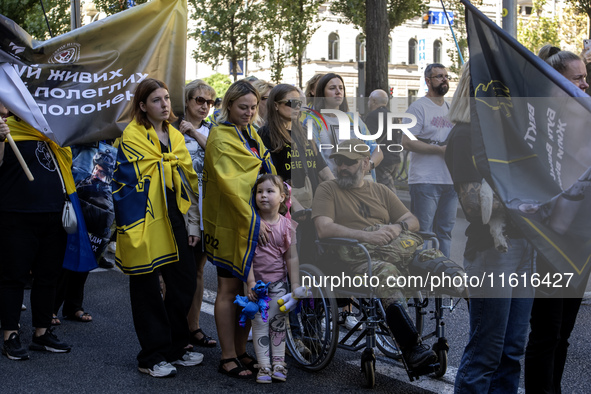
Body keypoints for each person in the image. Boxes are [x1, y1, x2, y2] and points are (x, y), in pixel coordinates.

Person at [444, 62, 534, 393]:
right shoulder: (465, 135)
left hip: (523, 245)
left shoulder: (508, 133)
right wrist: (526, 194)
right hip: (491, 253)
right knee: (487, 351)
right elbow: (473, 207)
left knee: (512, 350)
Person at [312, 138, 437, 370]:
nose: (342, 168)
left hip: (386, 252)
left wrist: (397, 228)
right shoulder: (328, 189)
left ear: (365, 163)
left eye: (349, 162)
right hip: (349, 259)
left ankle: (444, 337)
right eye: (339, 162)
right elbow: (323, 228)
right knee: (386, 272)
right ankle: (410, 348)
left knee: (432, 260)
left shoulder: (380, 190)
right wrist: (366, 236)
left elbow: (413, 221)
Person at [112, 78, 203, 378]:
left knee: (185, 281)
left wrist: (192, 223)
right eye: (156, 100)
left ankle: (175, 347)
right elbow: (127, 180)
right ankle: (150, 356)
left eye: (166, 98)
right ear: (142, 106)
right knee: (146, 287)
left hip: (175, 216)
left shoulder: (175, 136)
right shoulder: (133, 135)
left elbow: (188, 181)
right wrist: (164, 165)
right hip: (143, 219)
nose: (164, 104)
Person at [524, 45, 590, 394]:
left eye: (585, 77)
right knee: (547, 332)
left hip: (581, 244)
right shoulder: (539, 124)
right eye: (577, 78)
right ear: (555, 82)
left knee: (563, 332)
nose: (584, 84)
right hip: (550, 244)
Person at [202, 80, 275, 379]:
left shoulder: (251, 133)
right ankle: (227, 355)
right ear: (228, 105)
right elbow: (231, 187)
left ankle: (242, 351)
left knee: (252, 292)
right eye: (243, 107)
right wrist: (255, 221)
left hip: (253, 220)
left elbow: (264, 166)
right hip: (232, 224)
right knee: (228, 289)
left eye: (253, 107)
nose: (248, 112)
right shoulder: (219, 137)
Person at [0, 116, 72, 360]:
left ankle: (42, 333)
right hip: (17, 214)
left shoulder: (52, 128)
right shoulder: (8, 128)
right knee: (13, 277)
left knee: (48, 276)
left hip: (53, 213)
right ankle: (10, 334)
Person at [247, 174, 300, 383]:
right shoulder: (252, 224)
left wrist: (294, 284)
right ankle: (263, 366)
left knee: (278, 323)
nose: (263, 196)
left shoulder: (287, 226)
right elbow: (246, 257)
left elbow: (291, 257)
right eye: (259, 191)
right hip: (257, 286)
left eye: (270, 191)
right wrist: (249, 282)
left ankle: (279, 363)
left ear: (282, 197)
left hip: (279, 284)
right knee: (259, 324)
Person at [177, 79, 217, 348]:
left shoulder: (214, 131)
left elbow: (219, 156)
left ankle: (194, 327)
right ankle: (176, 328)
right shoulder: (171, 130)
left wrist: (194, 133)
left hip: (207, 210)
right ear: (187, 101)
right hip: (181, 209)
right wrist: (185, 132)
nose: (205, 106)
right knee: (178, 272)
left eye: (210, 102)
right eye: (199, 100)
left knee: (199, 271)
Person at [402, 63, 457, 258]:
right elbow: (407, 142)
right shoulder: (418, 108)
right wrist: (439, 150)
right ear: (428, 81)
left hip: (450, 181)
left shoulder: (452, 108)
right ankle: (423, 279)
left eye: (446, 76)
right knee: (423, 233)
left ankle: (444, 278)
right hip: (425, 181)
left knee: (445, 233)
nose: (444, 80)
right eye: (439, 76)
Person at [258, 83, 334, 212]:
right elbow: (271, 177)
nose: (297, 107)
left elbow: (322, 168)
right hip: (285, 207)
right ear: (275, 105)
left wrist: (340, 192)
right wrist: (294, 204)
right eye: (291, 103)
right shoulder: (265, 134)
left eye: (299, 103)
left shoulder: (304, 131)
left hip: (312, 201)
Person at [305, 72, 383, 175]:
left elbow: (377, 151)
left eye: (341, 88)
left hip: (361, 185)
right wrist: (333, 185)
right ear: (322, 94)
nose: (338, 92)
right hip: (332, 185)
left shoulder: (354, 119)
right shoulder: (313, 121)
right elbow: (317, 159)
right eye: (332, 88)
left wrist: (368, 166)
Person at [364, 89, 402, 192]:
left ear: (373, 101)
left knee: (386, 193)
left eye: (369, 100)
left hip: (382, 160)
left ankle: (394, 209)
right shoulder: (392, 115)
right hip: (395, 159)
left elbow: (369, 138)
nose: (368, 103)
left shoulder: (372, 116)